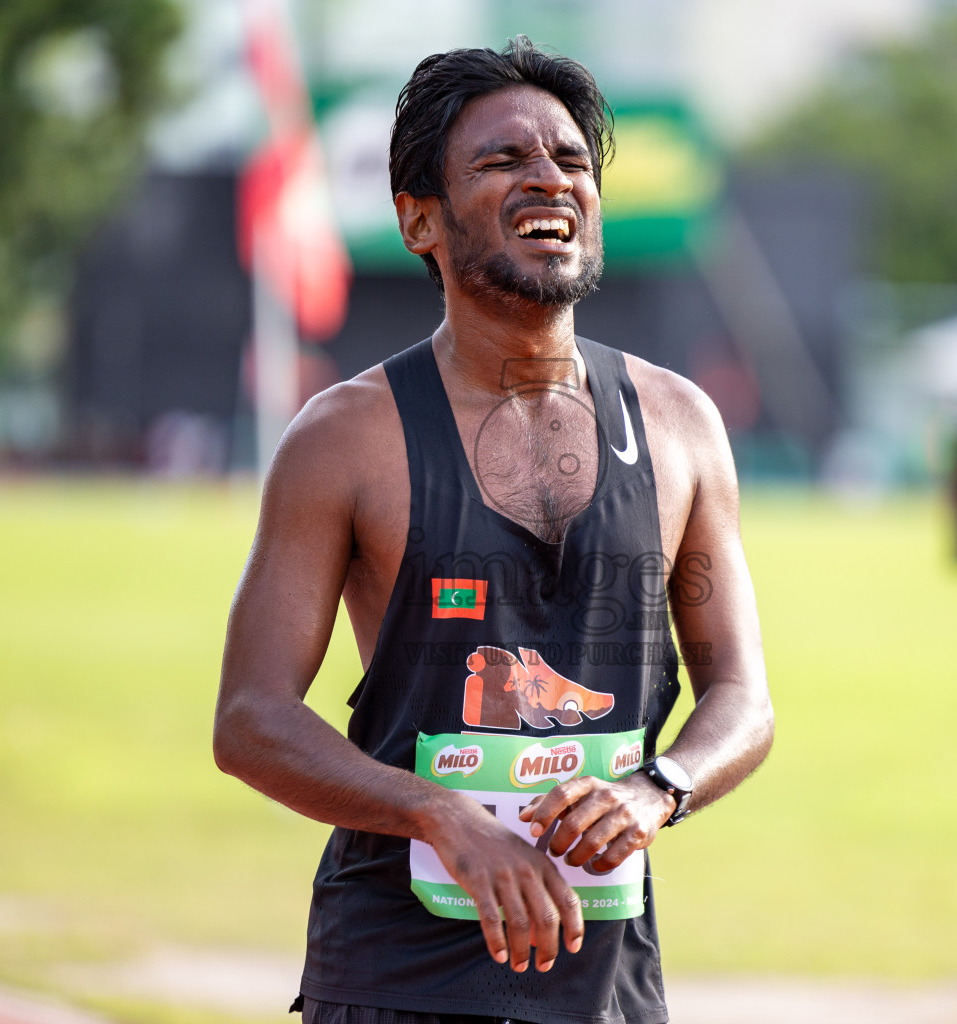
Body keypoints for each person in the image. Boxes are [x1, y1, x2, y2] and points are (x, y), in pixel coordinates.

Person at [213, 37, 774, 1024]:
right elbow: (251, 717)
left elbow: (743, 695)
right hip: (393, 979)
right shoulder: (346, 438)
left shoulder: (682, 424)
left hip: (605, 986)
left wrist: (661, 784)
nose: (548, 179)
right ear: (419, 219)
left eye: (569, 159)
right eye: (503, 160)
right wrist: (435, 811)